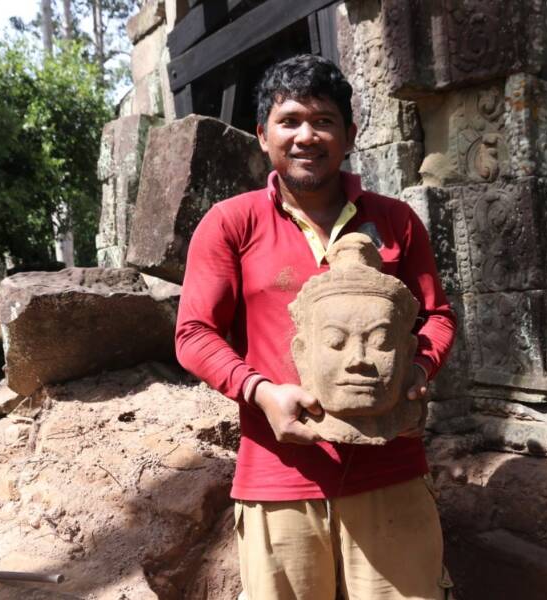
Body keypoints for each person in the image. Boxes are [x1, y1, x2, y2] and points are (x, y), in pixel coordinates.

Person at [175, 54, 456, 600]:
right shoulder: (232, 223)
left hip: (390, 469)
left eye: (324, 121)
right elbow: (193, 334)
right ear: (262, 135)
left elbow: (437, 316)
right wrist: (259, 393)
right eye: (290, 121)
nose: (307, 136)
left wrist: (419, 368)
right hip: (279, 478)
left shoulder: (396, 221)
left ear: (350, 134)